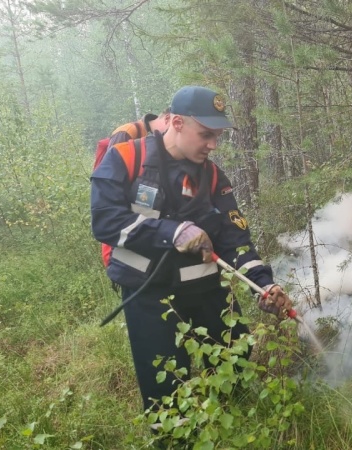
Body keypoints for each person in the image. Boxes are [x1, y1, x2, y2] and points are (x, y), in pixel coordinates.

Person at [90, 86, 293, 413]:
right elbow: (105, 222)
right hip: (147, 293)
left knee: (236, 356)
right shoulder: (126, 158)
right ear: (177, 123)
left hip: (204, 289)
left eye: (218, 136)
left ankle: (232, 419)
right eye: (206, 135)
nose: (213, 145)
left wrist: (264, 283)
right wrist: (171, 231)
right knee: (165, 388)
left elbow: (234, 239)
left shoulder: (213, 177)